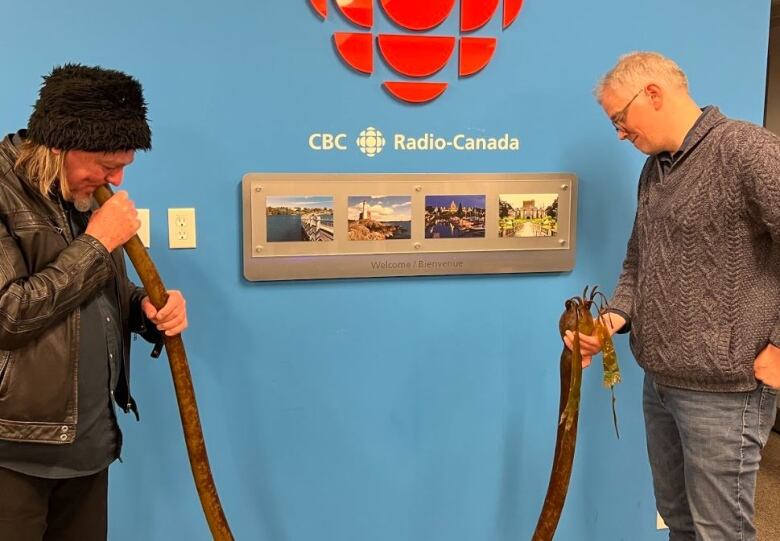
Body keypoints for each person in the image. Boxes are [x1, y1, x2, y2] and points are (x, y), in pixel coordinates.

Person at [572, 51, 780, 540]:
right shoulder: (656, 170)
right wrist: (612, 320)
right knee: (680, 522)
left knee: (719, 531)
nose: (619, 133)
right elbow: (638, 263)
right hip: (660, 382)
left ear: (653, 93)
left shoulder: (746, 150)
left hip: (725, 393)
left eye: (620, 118)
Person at [0, 64, 188, 540]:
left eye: (122, 167)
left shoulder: (75, 195)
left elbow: (95, 295)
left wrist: (144, 307)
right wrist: (98, 244)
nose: (116, 181)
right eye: (107, 167)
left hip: (86, 446)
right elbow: (8, 314)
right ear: (59, 147)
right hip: (14, 452)